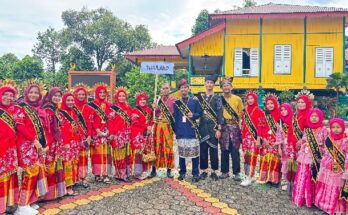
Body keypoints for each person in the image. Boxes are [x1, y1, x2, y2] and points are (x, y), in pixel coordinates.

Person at [15, 80, 49, 215]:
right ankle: (21, 205)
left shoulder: (40, 109)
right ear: (26, 93)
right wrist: (34, 141)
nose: (34, 95)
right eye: (31, 92)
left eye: (36, 92)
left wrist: (44, 145)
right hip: (26, 145)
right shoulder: (20, 107)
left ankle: (29, 200)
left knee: (36, 172)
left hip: (38, 145)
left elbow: (44, 129)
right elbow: (20, 126)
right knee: (29, 173)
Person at [292, 108, 328, 208]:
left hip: (316, 157)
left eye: (316, 116)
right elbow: (304, 140)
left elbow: (326, 145)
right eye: (312, 116)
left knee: (312, 177)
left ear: (320, 118)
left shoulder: (324, 130)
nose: (314, 118)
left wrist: (321, 152)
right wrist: (301, 143)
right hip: (304, 156)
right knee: (302, 176)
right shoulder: (307, 129)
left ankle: (311, 199)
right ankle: (301, 197)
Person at [315, 118, 348, 215]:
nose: (335, 129)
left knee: (335, 188)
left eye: (338, 127)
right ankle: (324, 206)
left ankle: (334, 209)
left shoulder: (346, 140)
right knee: (326, 186)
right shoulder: (329, 139)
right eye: (333, 127)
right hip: (327, 168)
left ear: (343, 128)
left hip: (339, 169)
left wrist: (346, 170)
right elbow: (325, 152)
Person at [173, 79, 203, 182]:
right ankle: (182, 172)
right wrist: (176, 131)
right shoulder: (177, 103)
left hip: (192, 131)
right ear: (179, 90)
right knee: (182, 154)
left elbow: (200, 113)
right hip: (181, 131)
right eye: (182, 88)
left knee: (194, 154)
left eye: (186, 87)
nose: (184, 89)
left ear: (188, 88)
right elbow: (175, 118)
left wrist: (193, 115)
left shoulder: (194, 101)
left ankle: (195, 173)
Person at [197, 74, 223, 181]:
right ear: (205, 84)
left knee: (214, 149)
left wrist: (219, 129)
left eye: (211, 83)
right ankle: (203, 171)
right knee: (203, 149)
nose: (209, 85)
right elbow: (197, 112)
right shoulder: (200, 98)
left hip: (213, 128)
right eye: (207, 82)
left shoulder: (217, 98)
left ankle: (213, 171)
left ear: (214, 85)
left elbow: (220, 113)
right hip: (202, 127)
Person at [42, 87, 66, 200]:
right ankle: (47, 195)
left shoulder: (54, 108)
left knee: (54, 166)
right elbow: (46, 129)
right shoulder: (47, 109)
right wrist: (49, 143)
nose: (57, 98)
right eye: (55, 95)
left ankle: (53, 192)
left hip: (55, 142)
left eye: (58, 96)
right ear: (50, 96)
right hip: (49, 143)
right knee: (49, 167)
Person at [219, 76, 243, 181]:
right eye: (224, 86)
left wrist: (241, 127)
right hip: (223, 127)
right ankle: (225, 172)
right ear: (221, 88)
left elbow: (241, 114)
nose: (226, 87)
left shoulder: (237, 99)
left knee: (235, 151)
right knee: (224, 150)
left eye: (228, 85)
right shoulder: (219, 99)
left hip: (235, 127)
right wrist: (218, 128)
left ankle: (236, 172)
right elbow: (218, 114)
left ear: (231, 87)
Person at [0, 83, 19, 214]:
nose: (8, 97)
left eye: (11, 95)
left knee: (11, 176)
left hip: (11, 150)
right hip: (1, 149)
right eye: (5, 95)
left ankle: (10, 202)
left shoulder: (13, 110)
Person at [240, 90, 266, 187]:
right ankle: (246, 175)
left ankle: (250, 176)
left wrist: (259, 139)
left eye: (252, 98)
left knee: (253, 157)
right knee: (246, 157)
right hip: (245, 137)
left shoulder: (259, 111)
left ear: (255, 99)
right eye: (248, 98)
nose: (250, 100)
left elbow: (261, 126)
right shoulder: (245, 110)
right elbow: (243, 124)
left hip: (254, 138)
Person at [151, 83, 176, 178]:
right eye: (163, 88)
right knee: (156, 147)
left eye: (167, 88)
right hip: (157, 126)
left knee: (168, 147)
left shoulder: (173, 100)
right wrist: (154, 108)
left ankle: (169, 169)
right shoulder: (156, 99)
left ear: (169, 89)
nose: (165, 90)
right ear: (160, 90)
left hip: (168, 126)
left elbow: (175, 114)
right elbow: (152, 114)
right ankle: (154, 169)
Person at [58, 93, 80, 196]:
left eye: (72, 100)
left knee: (73, 162)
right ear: (64, 101)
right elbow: (61, 129)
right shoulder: (61, 113)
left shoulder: (74, 112)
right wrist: (66, 143)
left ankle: (73, 181)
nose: (70, 102)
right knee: (67, 163)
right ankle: (68, 186)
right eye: (68, 100)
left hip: (74, 142)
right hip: (66, 143)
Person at [89, 83, 112, 184]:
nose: (102, 94)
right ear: (97, 93)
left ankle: (106, 174)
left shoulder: (109, 105)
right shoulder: (92, 104)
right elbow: (91, 119)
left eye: (104, 92)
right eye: (100, 92)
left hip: (106, 133)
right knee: (97, 154)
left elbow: (111, 119)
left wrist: (108, 131)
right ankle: (97, 174)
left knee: (106, 154)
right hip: (96, 133)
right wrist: (97, 130)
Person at [108, 87, 133, 182]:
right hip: (118, 135)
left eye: (123, 96)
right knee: (119, 155)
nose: (122, 97)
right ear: (117, 97)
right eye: (120, 96)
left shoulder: (128, 108)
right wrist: (112, 133)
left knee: (127, 155)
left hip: (127, 135)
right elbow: (110, 122)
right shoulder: (113, 108)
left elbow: (131, 121)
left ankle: (127, 173)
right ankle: (120, 174)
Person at [258, 93, 282, 186]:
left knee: (276, 159)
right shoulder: (264, 115)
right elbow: (260, 127)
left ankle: (275, 180)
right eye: (268, 104)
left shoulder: (280, 115)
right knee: (266, 158)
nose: (270, 105)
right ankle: (266, 178)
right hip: (266, 141)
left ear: (275, 103)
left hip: (277, 141)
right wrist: (264, 139)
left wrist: (279, 141)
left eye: (272, 103)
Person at [73, 84, 94, 188]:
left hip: (84, 137)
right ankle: (75, 178)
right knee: (74, 158)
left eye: (83, 94)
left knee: (84, 158)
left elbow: (90, 123)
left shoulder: (89, 108)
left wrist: (89, 136)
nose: (81, 96)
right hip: (74, 137)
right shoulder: (71, 107)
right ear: (75, 95)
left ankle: (83, 177)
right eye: (79, 94)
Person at [131, 92, 153, 180]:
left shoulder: (149, 110)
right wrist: (146, 127)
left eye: (144, 99)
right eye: (141, 100)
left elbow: (151, 120)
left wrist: (151, 125)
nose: (143, 101)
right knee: (138, 153)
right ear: (138, 101)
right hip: (138, 134)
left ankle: (145, 171)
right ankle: (137, 172)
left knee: (145, 152)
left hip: (147, 134)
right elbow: (135, 122)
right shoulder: (135, 110)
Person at [276, 103, 298, 193]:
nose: (283, 112)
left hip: (293, 146)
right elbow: (278, 135)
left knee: (293, 165)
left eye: (285, 110)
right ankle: (286, 182)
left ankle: (293, 183)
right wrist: (279, 148)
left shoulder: (294, 121)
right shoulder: (280, 122)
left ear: (289, 110)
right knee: (285, 164)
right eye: (281, 110)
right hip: (284, 147)